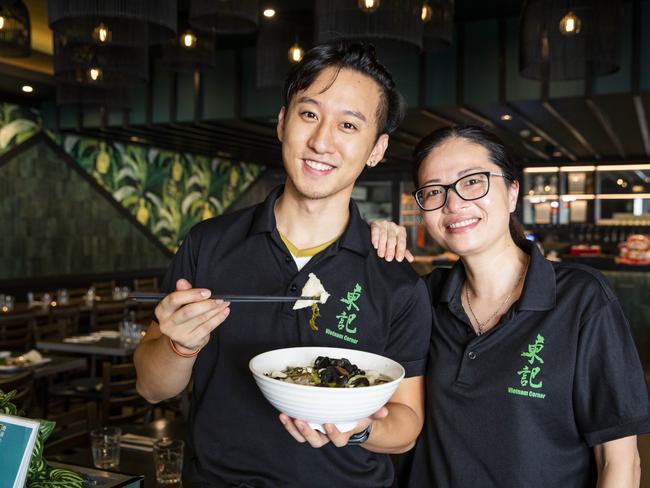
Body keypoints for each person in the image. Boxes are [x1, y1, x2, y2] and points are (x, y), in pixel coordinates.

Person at [134, 41, 432, 488]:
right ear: (282, 122)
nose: (321, 141)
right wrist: (179, 347)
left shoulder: (396, 277)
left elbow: (407, 427)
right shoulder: (208, 244)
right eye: (309, 114)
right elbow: (151, 388)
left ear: (376, 148)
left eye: (349, 125)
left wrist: (359, 429)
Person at [372, 125, 650, 487]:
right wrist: (367, 247)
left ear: (513, 190)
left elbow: (620, 463)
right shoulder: (422, 297)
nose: (453, 204)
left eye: (472, 181)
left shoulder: (581, 298)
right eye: (434, 191)